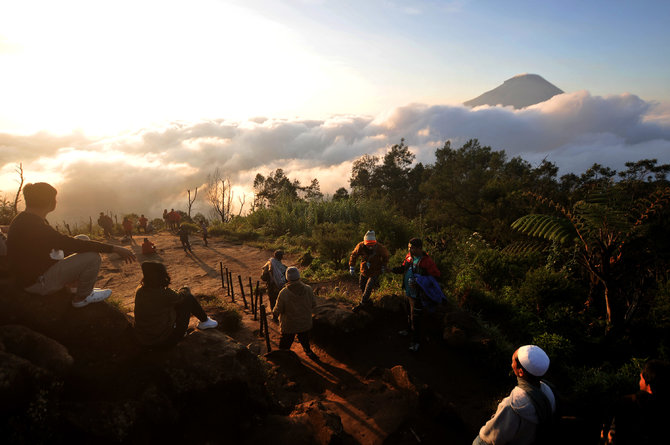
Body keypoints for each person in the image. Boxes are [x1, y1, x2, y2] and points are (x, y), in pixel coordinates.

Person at [6, 182, 136, 308]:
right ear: (47, 202)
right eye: (54, 199)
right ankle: (82, 297)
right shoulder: (34, 225)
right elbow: (70, 244)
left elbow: (62, 243)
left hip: (35, 270)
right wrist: (114, 248)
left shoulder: (25, 219)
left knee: (82, 238)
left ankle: (75, 287)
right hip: (38, 282)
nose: (56, 202)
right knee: (92, 257)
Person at [473, 345, 556, 445]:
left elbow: (491, 437)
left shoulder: (513, 406)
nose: (511, 364)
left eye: (513, 362)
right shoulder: (549, 392)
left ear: (520, 372)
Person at [134, 261, 218, 347]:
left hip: (144, 339)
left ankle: (202, 322)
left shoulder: (140, 291)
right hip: (165, 340)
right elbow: (182, 295)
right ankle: (205, 321)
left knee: (173, 304)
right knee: (188, 298)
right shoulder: (165, 293)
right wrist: (185, 288)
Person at [391, 237, 443, 352]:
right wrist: (392, 269)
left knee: (416, 318)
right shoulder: (409, 257)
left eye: (412, 248)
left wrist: (421, 280)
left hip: (418, 295)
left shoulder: (426, 261)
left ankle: (416, 342)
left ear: (419, 248)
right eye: (409, 247)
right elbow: (403, 267)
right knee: (408, 313)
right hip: (408, 292)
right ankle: (408, 330)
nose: (410, 249)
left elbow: (436, 276)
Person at [601, 359, 670, 444]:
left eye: (640, 378)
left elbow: (612, 437)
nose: (639, 381)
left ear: (648, 383)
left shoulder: (628, 404)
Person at [272, 267, 318, 360]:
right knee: (304, 338)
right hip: (304, 323)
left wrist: (274, 314)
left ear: (287, 278)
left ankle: (284, 356)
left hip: (289, 325)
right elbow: (314, 304)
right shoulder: (308, 289)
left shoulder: (284, 293)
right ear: (299, 276)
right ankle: (308, 351)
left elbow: (277, 310)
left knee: (285, 342)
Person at [349, 230, 390, 312]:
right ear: (365, 243)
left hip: (375, 270)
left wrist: (383, 266)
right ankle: (367, 301)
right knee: (362, 286)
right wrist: (352, 266)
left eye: (372, 245)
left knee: (369, 286)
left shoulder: (380, 248)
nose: (370, 247)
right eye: (368, 245)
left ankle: (362, 303)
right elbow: (354, 255)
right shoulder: (360, 246)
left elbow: (386, 256)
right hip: (364, 270)